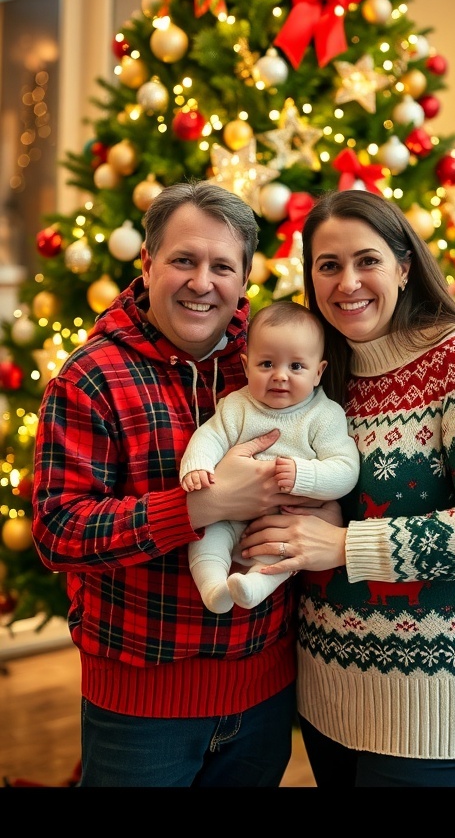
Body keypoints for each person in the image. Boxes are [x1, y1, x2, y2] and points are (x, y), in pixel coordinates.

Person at [31, 180, 338, 789]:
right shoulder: (91, 378)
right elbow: (57, 532)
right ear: (146, 265)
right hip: (140, 709)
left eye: (222, 266)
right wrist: (203, 506)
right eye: (183, 260)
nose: (203, 283)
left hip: (264, 694)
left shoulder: (273, 360)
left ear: (245, 278)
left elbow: (339, 450)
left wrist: (323, 518)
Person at [239, 189, 455, 788]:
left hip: (434, 694)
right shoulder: (322, 374)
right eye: (328, 265)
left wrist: (342, 545)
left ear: (404, 267)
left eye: (367, 260)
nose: (348, 282)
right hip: (329, 686)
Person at [182, 301, 359, 613]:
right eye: (266, 365)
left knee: (286, 550)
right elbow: (210, 435)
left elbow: (345, 470)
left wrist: (305, 475)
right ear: (247, 365)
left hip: (284, 519)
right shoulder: (237, 406)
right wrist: (197, 464)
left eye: (296, 367)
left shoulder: (323, 415)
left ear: (318, 372)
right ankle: (213, 587)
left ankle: (254, 586)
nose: (280, 376)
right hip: (227, 513)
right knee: (206, 537)